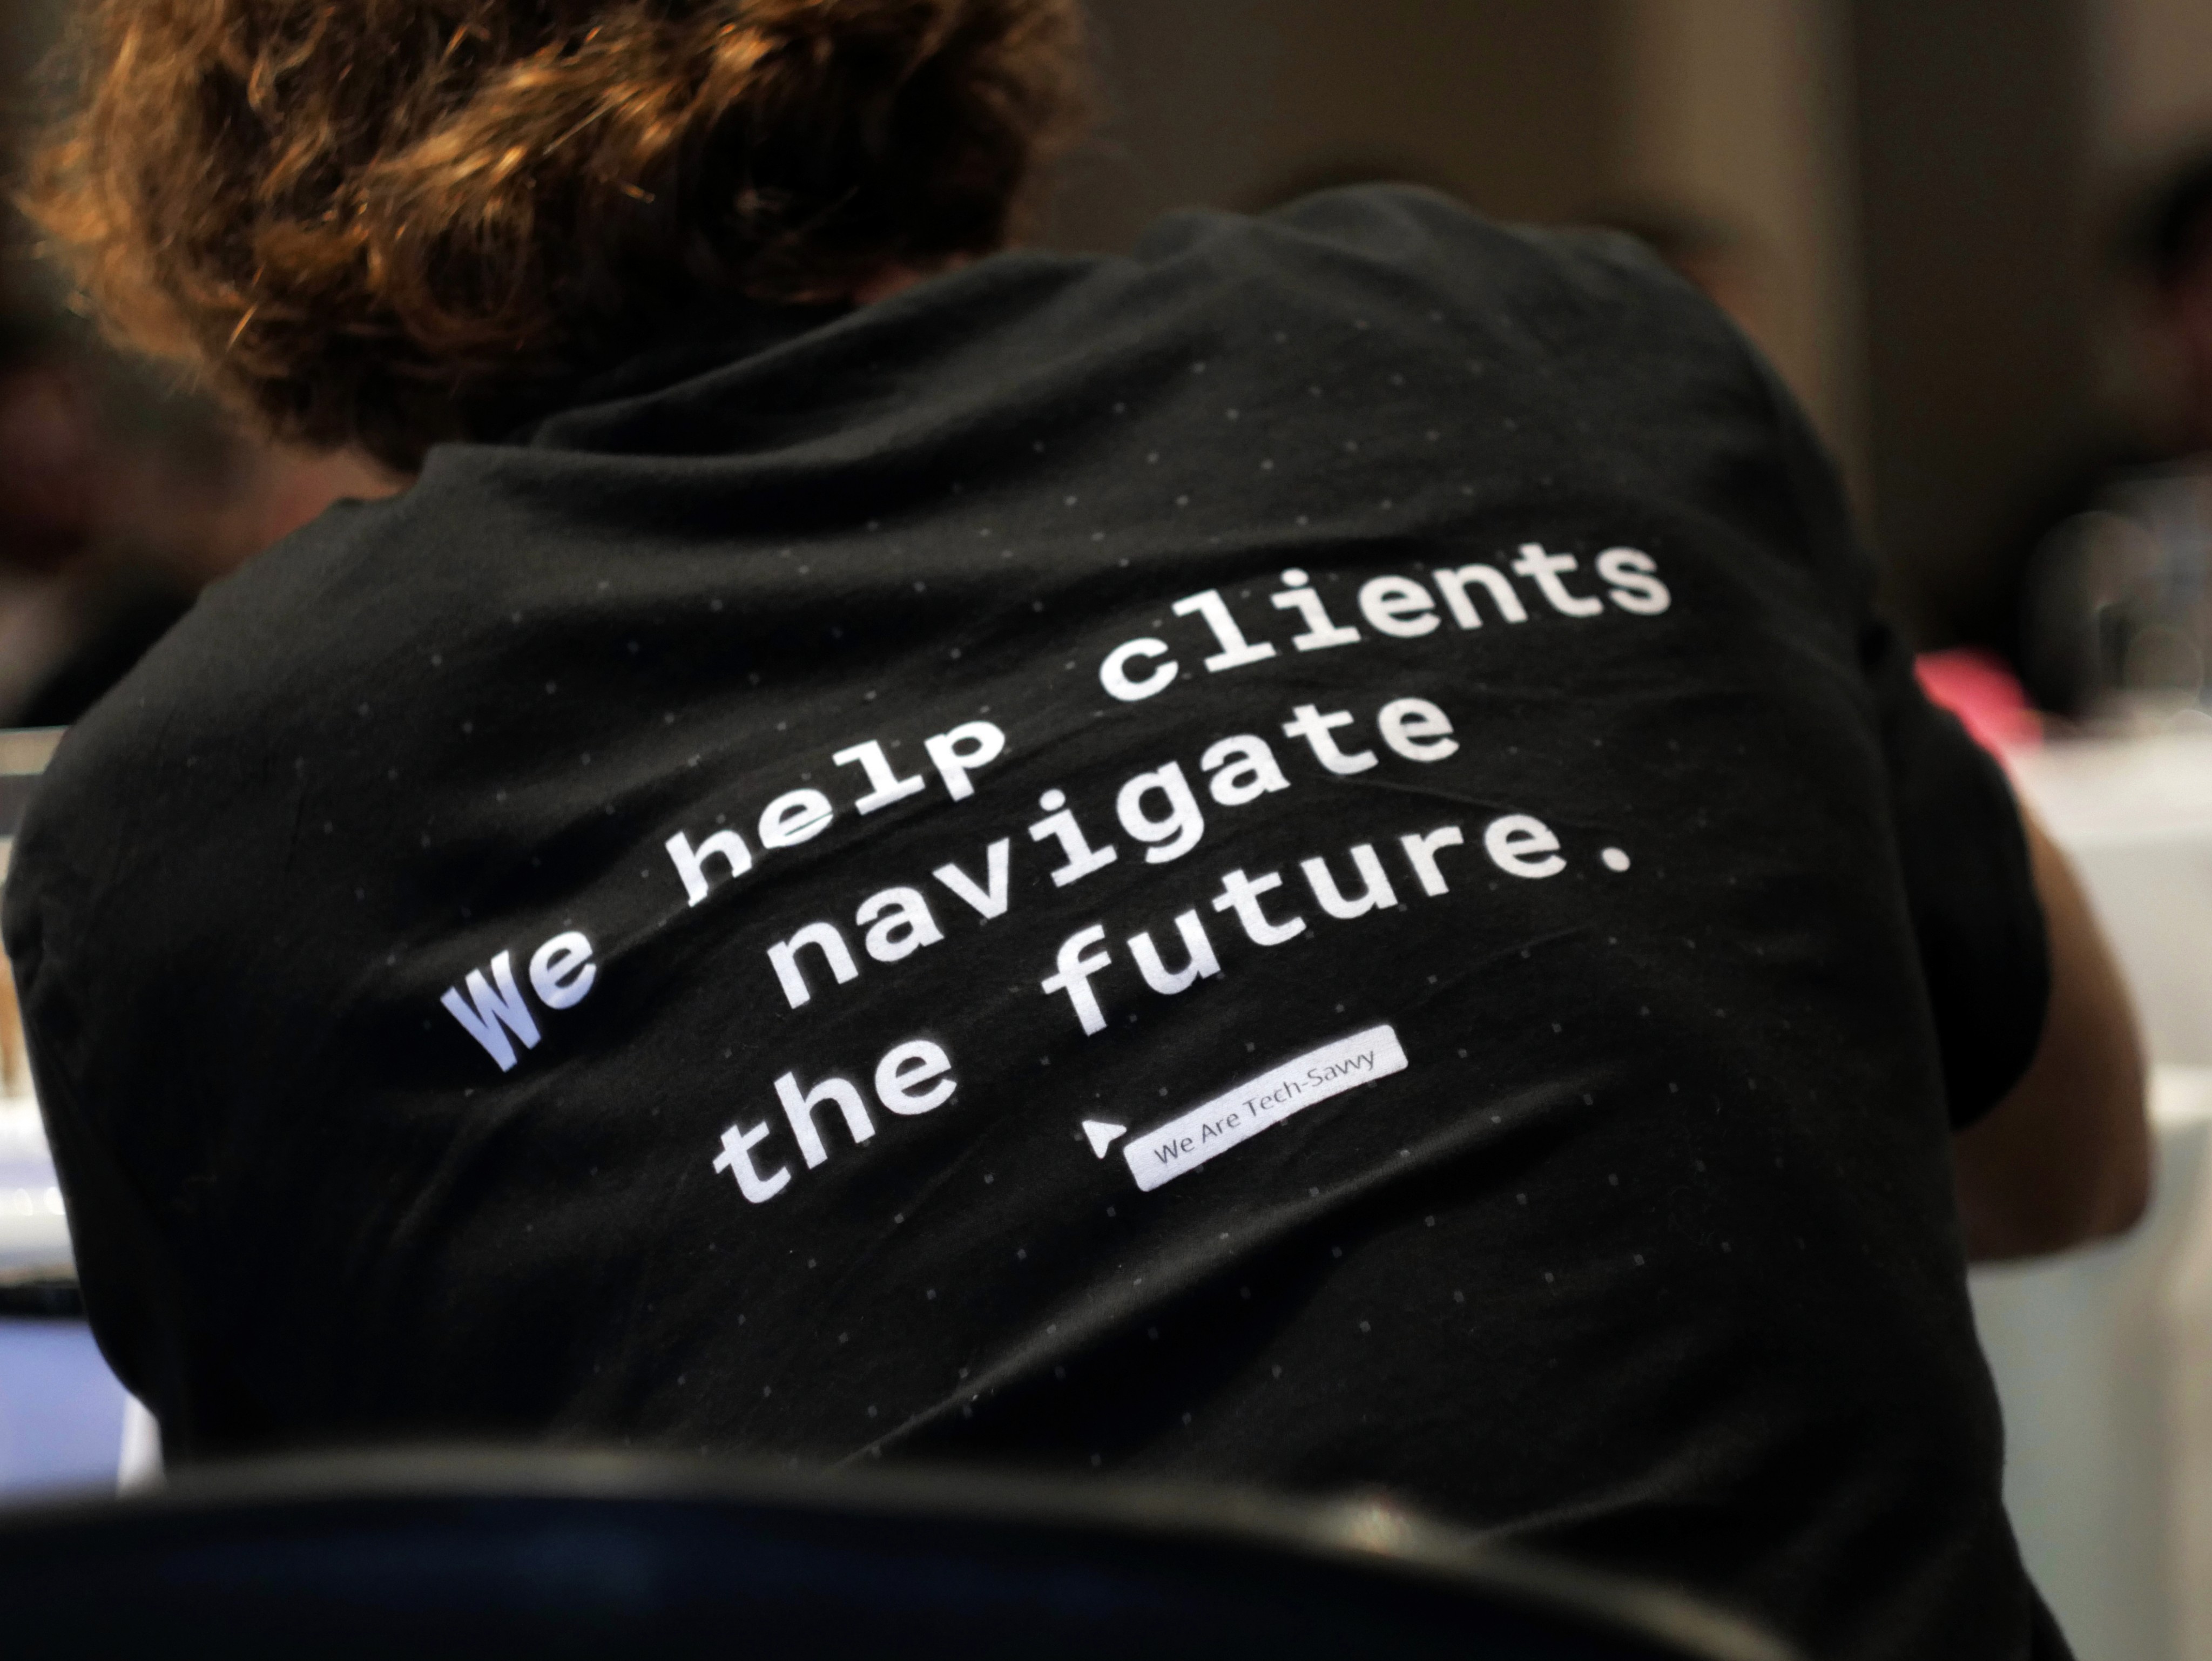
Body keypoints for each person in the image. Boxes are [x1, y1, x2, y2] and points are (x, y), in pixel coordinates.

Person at [5, 4, 2145, 1658]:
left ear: (240, 182)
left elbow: (358, 1598)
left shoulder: (208, 810)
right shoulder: (1551, 347)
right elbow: (2061, 1156)